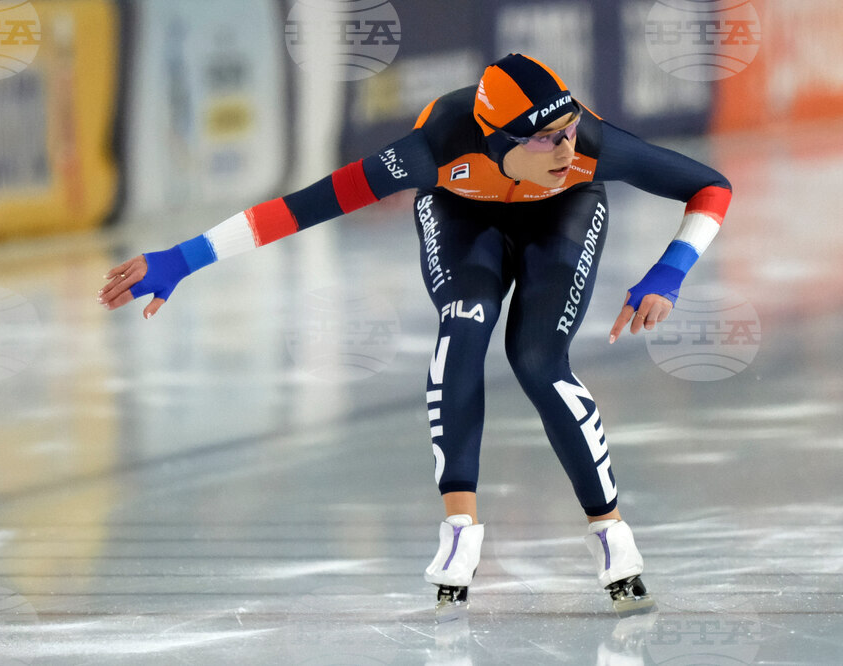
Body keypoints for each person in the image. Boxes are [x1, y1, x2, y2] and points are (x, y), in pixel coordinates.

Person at [98, 53, 731, 619]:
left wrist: (668, 273)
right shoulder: (429, 150)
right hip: (461, 212)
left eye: (567, 131)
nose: (566, 149)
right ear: (497, 136)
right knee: (466, 322)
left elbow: (710, 186)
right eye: (545, 139)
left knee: (538, 361)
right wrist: (180, 259)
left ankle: (611, 531)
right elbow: (298, 208)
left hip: (562, 213)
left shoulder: (588, 149)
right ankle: (460, 528)